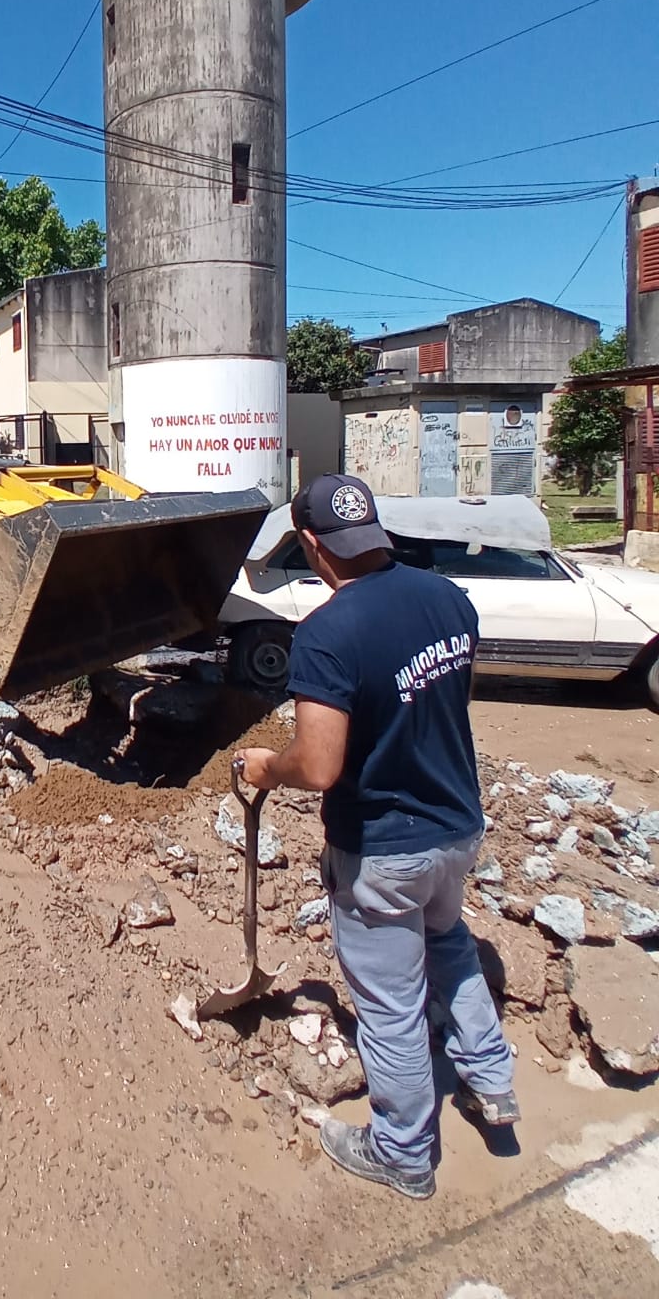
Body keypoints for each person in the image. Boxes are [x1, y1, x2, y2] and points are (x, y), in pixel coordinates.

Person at [238, 474, 516, 1200]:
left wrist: (270, 766)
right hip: (457, 825)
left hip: (384, 849)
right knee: (450, 945)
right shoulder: (449, 600)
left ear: (310, 544)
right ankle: (493, 1083)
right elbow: (444, 705)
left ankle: (403, 1152)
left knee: (391, 1005)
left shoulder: (328, 633)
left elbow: (322, 764)